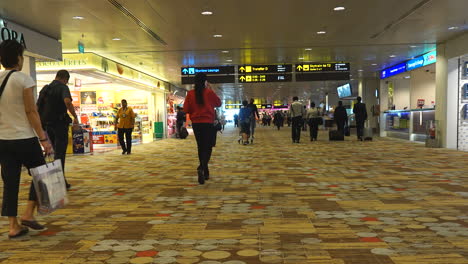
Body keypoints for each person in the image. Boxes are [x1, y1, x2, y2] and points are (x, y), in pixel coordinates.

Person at [0, 40, 53, 238]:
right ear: (18, 58)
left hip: (3, 140)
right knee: (42, 175)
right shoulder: (24, 79)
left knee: (10, 181)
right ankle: (28, 214)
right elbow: (31, 110)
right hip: (24, 137)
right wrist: (43, 138)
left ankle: (13, 226)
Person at [38, 69, 78, 190]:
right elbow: (67, 101)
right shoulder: (63, 87)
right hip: (60, 124)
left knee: (57, 152)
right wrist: (75, 117)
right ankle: (58, 181)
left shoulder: (46, 88)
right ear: (65, 79)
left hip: (47, 125)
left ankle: (61, 180)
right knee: (60, 154)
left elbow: (37, 106)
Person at [183, 73, 221, 185]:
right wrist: (211, 89)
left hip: (196, 124)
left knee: (200, 146)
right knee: (208, 147)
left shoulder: (190, 94)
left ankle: (205, 170)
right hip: (208, 123)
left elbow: (186, 109)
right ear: (205, 81)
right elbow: (218, 103)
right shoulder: (209, 92)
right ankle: (202, 167)